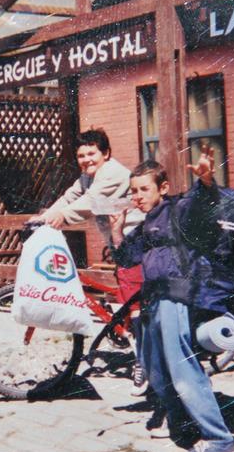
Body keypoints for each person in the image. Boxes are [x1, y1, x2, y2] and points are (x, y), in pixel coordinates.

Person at [110, 149, 234, 452]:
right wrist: (116, 230)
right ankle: (180, 422)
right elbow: (125, 258)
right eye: (133, 191)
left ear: (162, 188)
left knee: (183, 367)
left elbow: (205, 207)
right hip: (152, 301)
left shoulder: (179, 210)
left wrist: (206, 179)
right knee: (155, 369)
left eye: (144, 189)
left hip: (177, 298)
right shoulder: (146, 224)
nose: (138, 196)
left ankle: (218, 438)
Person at [29, 127, 148, 394]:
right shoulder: (87, 177)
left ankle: (144, 362)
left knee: (137, 302)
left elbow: (90, 202)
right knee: (129, 299)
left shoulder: (112, 173)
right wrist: (46, 215)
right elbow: (70, 197)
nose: (86, 159)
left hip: (139, 239)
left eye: (92, 153)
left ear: (105, 153)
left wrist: (61, 218)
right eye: (81, 155)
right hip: (120, 243)